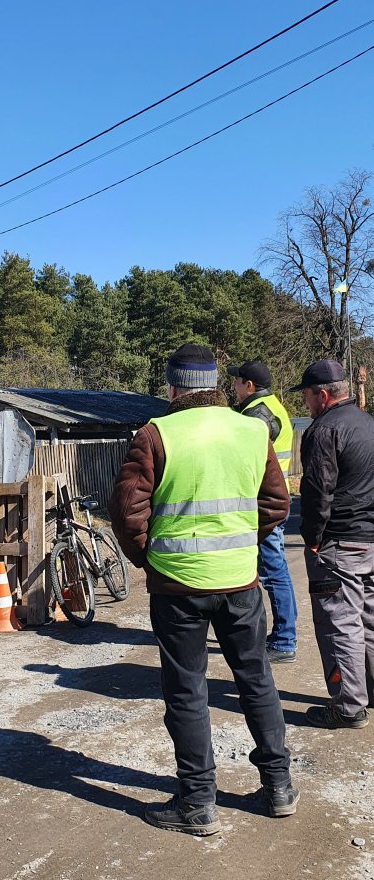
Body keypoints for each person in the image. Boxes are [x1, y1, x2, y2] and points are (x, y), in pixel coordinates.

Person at [108, 343, 298, 836]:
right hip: (239, 580)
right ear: (216, 385)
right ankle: (278, 787)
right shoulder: (252, 430)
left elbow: (128, 512)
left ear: (172, 387)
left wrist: (153, 559)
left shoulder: (156, 433)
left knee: (187, 690)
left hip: (178, 588)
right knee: (256, 678)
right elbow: (276, 504)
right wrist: (239, 546)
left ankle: (197, 803)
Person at [290, 359, 374, 729]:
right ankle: (367, 691)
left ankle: (348, 705)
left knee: (338, 623)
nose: (305, 403)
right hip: (369, 539)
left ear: (322, 395)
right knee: (368, 619)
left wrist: (312, 539)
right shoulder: (367, 423)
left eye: (306, 396)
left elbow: (317, 491)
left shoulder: (324, 430)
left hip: (339, 542)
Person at [226, 360, 297, 661]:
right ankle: (278, 636)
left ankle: (283, 641)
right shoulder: (267, 408)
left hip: (263, 504)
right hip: (266, 501)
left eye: (237, 382)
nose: (233, 386)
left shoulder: (259, 416)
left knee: (273, 571)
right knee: (269, 570)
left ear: (249, 386)